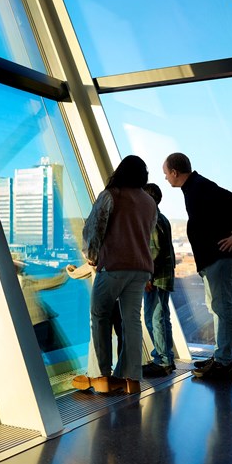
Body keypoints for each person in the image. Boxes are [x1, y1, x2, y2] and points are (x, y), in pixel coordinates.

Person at [73, 155, 157, 394]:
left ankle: (100, 376)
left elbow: (93, 228)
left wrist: (91, 255)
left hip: (113, 267)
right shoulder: (149, 202)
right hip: (140, 268)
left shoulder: (111, 195)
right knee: (132, 321)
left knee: (99, 317)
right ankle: (132, 378)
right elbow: (146, 234)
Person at [162, 152, 232, 380]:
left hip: (220, 258)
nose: (166, 178)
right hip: (213, 260)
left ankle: (224, 362)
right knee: (217, 307)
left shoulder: (200, 186)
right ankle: (221, 357)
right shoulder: (194, 188)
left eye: (166, 174)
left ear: (175, 172)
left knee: (222, 308)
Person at [142, 183, 176, 377]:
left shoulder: (152, 220)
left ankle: (162, 361)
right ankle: (166, 358)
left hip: (156, 277)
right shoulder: (162, 218)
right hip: (164, 276)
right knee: (163, 318)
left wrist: (147, 276)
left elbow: (153, 251)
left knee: (153, 318)